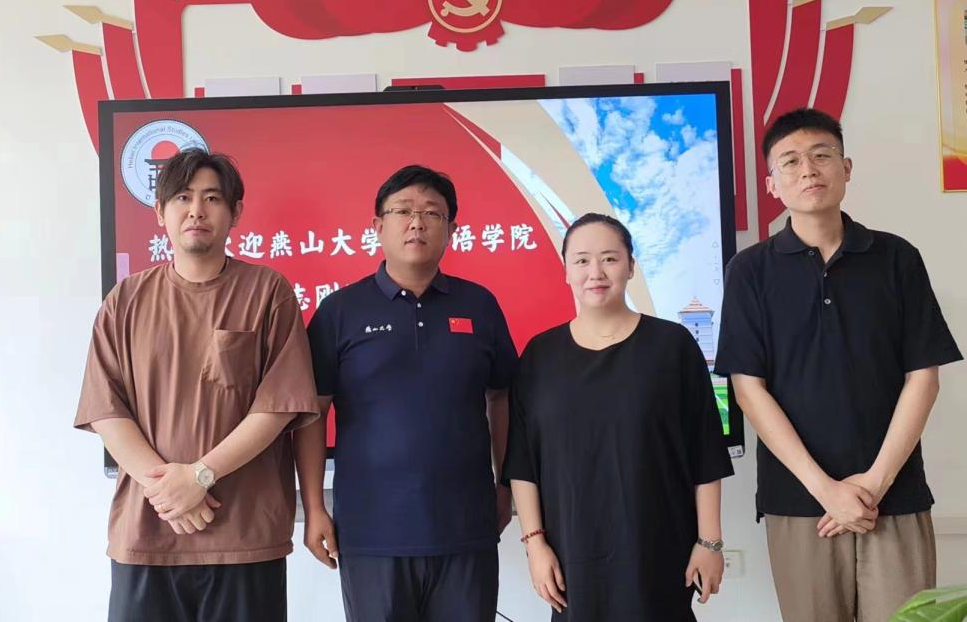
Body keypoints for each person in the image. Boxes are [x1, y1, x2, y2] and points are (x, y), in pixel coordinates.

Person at [715, 108, 963, 622]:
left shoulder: (897, 258)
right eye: (790, 161)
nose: (808, 169)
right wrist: (826, 490)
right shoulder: (749, 271)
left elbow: (924, 376)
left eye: (821, 155)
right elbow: (748, 390)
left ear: (846, 168)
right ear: (772, 183)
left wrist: (872, 485)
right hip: (799, 500)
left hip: (893, 495)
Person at [74, 149, 320, 622]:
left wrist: (200, 476)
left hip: (245, 536)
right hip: (147, 532)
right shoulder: (126, 300)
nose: (196, 211)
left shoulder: (269, 292)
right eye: (183, 198)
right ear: (159, 211)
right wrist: (170, 492)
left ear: (235, 213)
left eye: (212, 198)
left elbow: (278, 406)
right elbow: (106, 408)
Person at [294, 164, 518, 622]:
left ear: (451, 230)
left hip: (466, 527)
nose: (417, 223)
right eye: (403, 211)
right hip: (371, 533)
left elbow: (502, 397)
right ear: (378, 226)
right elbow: (312, 413)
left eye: (432, 213)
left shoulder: (480, 305)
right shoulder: (340, 311)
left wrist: (504, 484)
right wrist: (314, 507)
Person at [503, 213, 734, 621]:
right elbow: (523, 462)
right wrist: (535, 545)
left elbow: (705, 451)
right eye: (582, 261)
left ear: (631, 267)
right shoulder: (539, 356)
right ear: (566, 272)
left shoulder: (672, 346)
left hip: (660, 549)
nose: (596, 272)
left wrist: (710, 542)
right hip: (573, 559)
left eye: (610, 258)